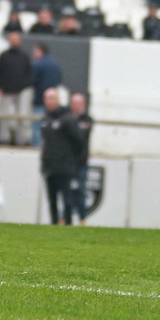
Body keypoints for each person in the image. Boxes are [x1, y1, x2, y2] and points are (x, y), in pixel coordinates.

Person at [40, 89, 84, 225]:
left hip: (65, 167)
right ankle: (54, 224)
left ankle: (68, 224)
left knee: (67, 199)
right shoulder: (45, 119)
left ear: (58, 100)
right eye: (46, 98)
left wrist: (71, 159)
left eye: (52, 98)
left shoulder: (68, 118)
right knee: (52, 200)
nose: (49, 101)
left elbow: (79, 141)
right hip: (49, 166)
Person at [0, 29, 34, 146]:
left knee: (23, 116)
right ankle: (4, 139)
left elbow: (29, 73)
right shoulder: (3, 56)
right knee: (4, 117)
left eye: (16, 39)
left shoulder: (24, 56)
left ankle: (22, 140)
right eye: (12, 39)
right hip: (6, 91)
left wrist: (24, 87)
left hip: (22, 91)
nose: (14, 41)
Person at [30, 43, 63, 146]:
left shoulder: (38, 64)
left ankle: (37, 146)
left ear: (40, 51)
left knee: (37, 125)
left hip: (40, 99)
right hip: (53, 102)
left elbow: (33, 80)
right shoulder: (55, 63)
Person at [69, 93, 94, 225]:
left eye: (79, 103)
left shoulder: (88, 120)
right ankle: (64, 218)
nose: (76, 106)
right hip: (67, 162)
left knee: (82, 191)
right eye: (74, 103)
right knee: (67, 192)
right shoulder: (66, 118)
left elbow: (79, 137)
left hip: (81, 162)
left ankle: (82, 218)